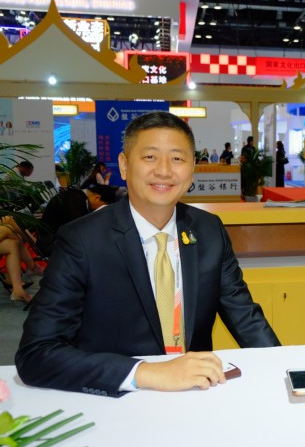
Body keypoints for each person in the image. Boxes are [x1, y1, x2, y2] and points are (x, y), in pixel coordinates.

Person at [16, 111, 280, 396]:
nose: (164, 171)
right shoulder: (82, 240)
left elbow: (245, 317)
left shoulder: (208, 230)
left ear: (192, 168)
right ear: (124, 165)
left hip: (195, 396)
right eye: (150, 157)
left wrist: (286, 369)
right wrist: (146, 372)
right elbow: (36, 354)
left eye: (177, 159)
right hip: (121, 399)